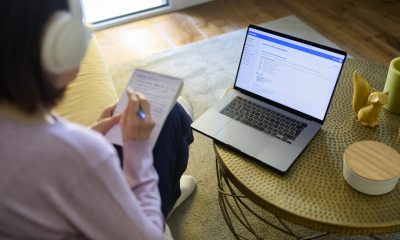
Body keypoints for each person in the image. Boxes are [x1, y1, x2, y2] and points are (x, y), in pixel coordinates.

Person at [0, 0, 195, 239]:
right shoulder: (85, 155)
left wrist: (89, 135)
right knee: (173, 116)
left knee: (168, 115)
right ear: (58, 49)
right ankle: (164, 205)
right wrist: (137, 148)